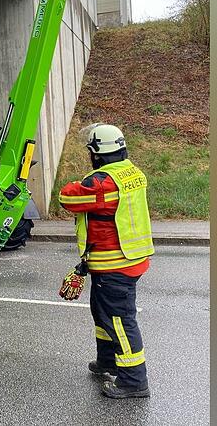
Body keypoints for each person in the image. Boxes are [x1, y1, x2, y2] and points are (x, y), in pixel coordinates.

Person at [58, 123, 155, 399]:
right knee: (102, 314)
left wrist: (84, 181)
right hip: (127, 259)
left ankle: (134, 381)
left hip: (115, 264)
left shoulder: (101, 183)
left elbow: (67, 196)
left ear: (96, 153)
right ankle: (108, 361)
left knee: (120, 321)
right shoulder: (131, 172)